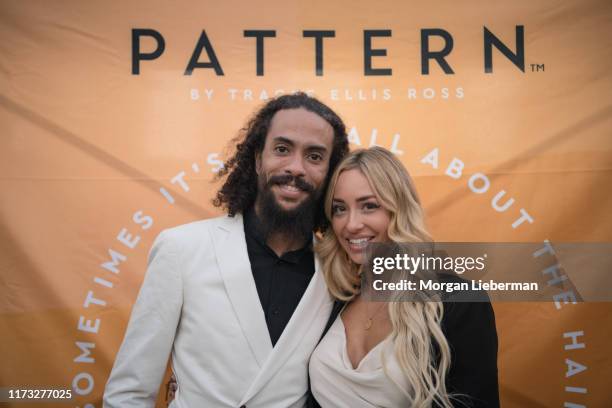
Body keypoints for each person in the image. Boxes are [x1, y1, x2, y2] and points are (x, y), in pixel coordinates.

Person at [103, 92, 349, 407]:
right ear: (258, 158)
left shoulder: (341, 267)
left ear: (330, 172)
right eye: (282, 149)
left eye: (315, 156)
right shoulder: (181, 249)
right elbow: (129, 392)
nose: (296, 167)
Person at [309, 147, 499, 407]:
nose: (351, 224)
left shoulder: (459, 301)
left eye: (369, 206)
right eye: (340, 209)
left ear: (399, 209)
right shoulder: (331, 296)